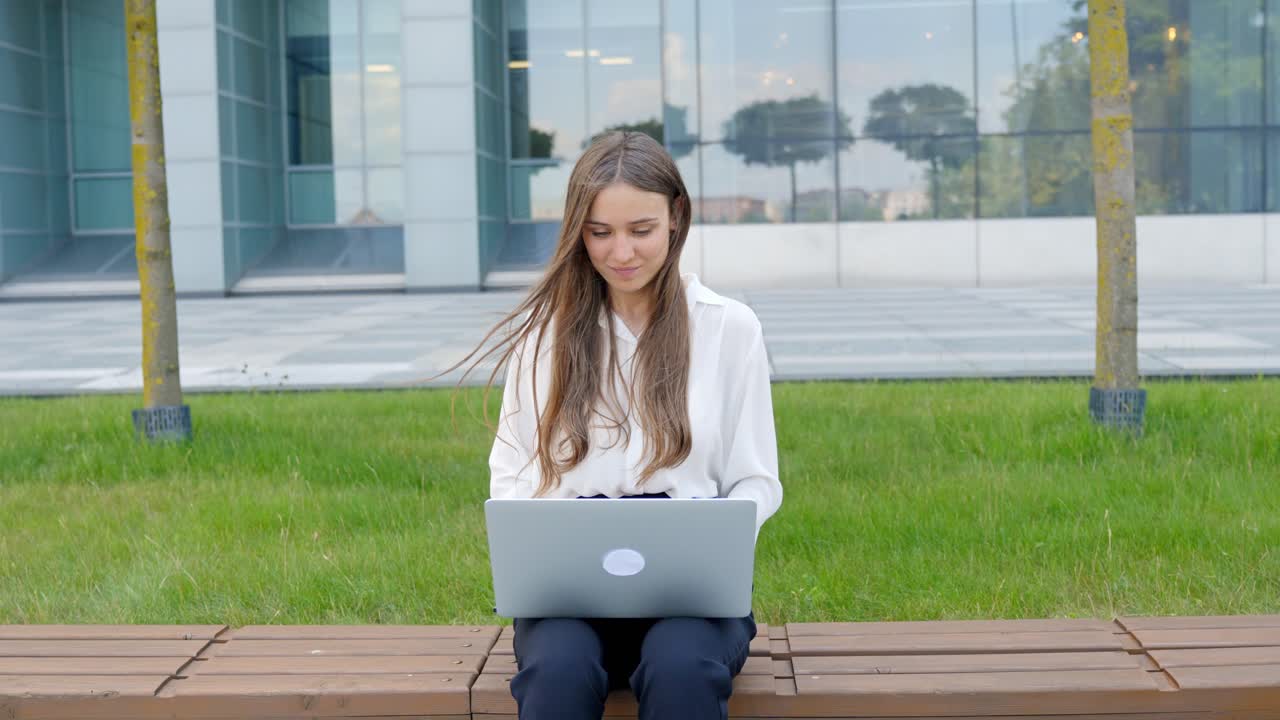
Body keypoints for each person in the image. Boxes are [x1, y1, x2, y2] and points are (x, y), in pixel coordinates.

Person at [458, 130, 782, 720]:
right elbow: (511, 476)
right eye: (600, 233)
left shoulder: (729, 329)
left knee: (681, 669)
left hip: (693, 601)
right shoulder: (544, 337)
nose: (621, 253)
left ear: (676, 219)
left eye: (641, 230)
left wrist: (713, 544)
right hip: (569, 599)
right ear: (577, 230)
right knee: (558, 672)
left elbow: (756, 480)